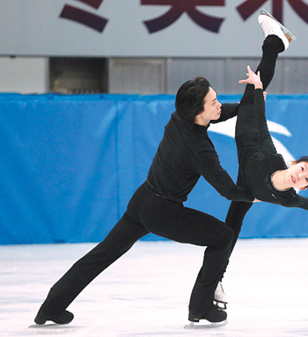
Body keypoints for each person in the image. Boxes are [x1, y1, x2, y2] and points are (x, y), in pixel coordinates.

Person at [34, 77, 257, 325]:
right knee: (223, 236)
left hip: (142, 200)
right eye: (213, 102)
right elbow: (227, 189)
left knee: (101, 255)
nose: (219, 105)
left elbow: (220, 112)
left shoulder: (179, 118)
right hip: (164, 212)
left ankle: (50, 308)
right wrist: (255, 195)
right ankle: (201, 306)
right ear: (197, 111)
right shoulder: (199, 148)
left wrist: (246, 105)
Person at [213, 12, 308, 307]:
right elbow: (263, 129)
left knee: (232, 226)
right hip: (250, 134)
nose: (300, 176)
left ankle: (216, 278)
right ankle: (275, 42)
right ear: (294, 164)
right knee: (254, 89)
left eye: (306, 179)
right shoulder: (273, 156)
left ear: (302, 186)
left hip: (247, 179)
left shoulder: (291, 198)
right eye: (302, 169)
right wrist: (257, 92)